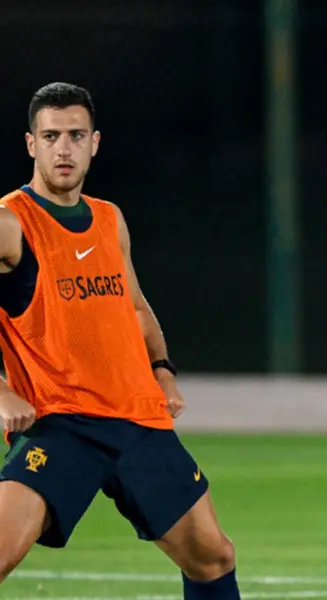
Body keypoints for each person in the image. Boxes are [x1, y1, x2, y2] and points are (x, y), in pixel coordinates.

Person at [0, 82, 240, 599]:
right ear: (30, 145)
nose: (63, 148)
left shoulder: (110, 219)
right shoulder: (10, 223)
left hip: (136, 420)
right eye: (50, 136)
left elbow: (134, 307)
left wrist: (162, 369)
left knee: (213, 557)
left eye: (75, 135)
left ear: (95, 143)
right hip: (61, 422)